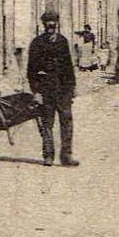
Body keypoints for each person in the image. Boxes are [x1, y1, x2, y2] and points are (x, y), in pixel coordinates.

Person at [27, 9, 78, 167]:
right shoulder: (37, 43)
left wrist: (73, 86)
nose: (51, 24)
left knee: (67, 122)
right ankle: (48, 155)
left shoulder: (63, 41)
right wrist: (36, 92)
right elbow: (31, 71)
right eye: (48, 22)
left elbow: (69, 66)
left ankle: (66, 156)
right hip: (45, 89)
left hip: (63, 89)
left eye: (53, 22)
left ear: (57, 24)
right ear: (43, 24)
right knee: (47, 123)